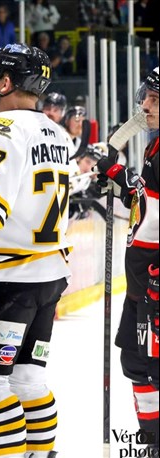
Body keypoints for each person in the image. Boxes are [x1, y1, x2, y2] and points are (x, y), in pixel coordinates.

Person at [0, 43, 73, 458]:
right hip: (48, 277)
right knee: (26, 380)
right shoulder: (57, 133)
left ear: (5, 82)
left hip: (3, 280)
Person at [96, 66, 160, 455]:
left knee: (152, 368)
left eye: (155, 99)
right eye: (146, 96)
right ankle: (152, 442)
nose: (145, 105)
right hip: (142, 286)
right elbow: (149, 204)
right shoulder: (156, 145)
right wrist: (119, 177)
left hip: (154, 285)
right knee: (137, 364)